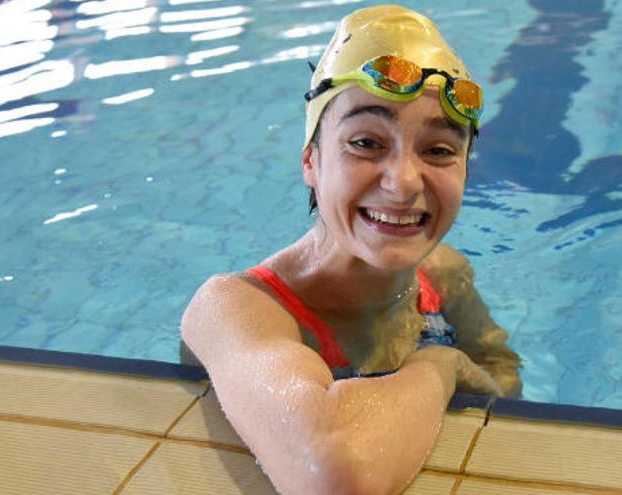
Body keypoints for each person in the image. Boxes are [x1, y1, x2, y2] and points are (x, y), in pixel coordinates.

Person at [181, 5, 522, 494]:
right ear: (311, 162)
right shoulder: (234, 307)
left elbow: (502, 372)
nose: (403, 183)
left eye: (439, 150)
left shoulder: (442, 273)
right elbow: (333, 474)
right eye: (365, 142)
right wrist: (442, 364)